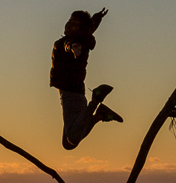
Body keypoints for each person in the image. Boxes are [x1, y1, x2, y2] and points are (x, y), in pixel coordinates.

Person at [50, 8, 122, 150]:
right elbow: (90, 29)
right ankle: (100, 115)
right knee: (68, 143)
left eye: (73, 23)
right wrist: (97, 18)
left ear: (79, 30)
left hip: (71, 95)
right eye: (69, 20)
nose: (68, 25)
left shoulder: (69, 42)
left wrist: (74, 47)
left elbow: (68, 45)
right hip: (72, 94)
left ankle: (96, 101)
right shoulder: (83, 37)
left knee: (73, 138)